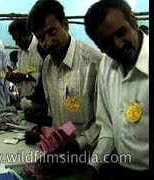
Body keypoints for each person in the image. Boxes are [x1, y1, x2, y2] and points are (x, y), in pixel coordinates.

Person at [82, 0, 149, 178]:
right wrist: (93, 166)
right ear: (99, 47)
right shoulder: (106, 66)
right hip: (120, 168)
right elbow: (107, 128)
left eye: (121, 33)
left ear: (133, 22)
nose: (119, 45)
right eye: (107, 43)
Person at [27, 0, 103, 157]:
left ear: (65, 24)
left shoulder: (93, 62)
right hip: (61, 158)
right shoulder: (48, 64)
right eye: (41, 38)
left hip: (92, 160)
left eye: (52, 32)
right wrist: (42, 129)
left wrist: (80, 142)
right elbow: (58, 119)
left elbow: (106, 122)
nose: (47, 42)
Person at [7, 18, 44, 98]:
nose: (16, 43)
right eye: (14, 40)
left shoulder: (41, 48)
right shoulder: (21, 51)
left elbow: (46, 75)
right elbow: (20, 71)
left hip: (40, 101)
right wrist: (13, 75)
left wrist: (26, 76)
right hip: (24, 100)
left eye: (18, 39)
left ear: (27, 34)